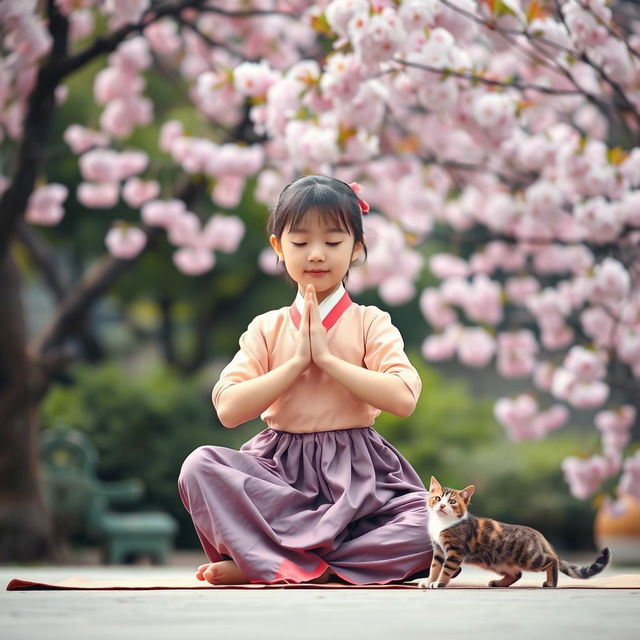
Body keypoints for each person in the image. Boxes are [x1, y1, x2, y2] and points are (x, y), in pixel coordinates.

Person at [178, 174, 432, 585]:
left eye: (333, 243)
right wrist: (297, 363)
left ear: (356, 249)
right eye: (300, 243)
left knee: (436, 525)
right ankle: (292, 562)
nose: (316, 254)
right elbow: (228, 409)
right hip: (279, 475)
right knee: (199, 465)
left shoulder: (371, 321)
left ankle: (281, 564)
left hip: (361, 481)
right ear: (278, 246)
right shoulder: (266, 326)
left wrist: (328, 360)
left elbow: (403, 398)